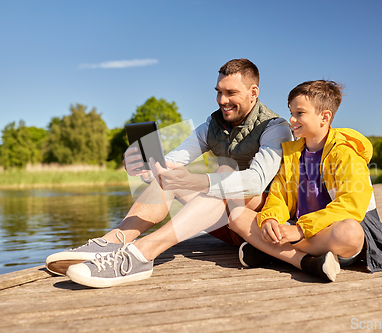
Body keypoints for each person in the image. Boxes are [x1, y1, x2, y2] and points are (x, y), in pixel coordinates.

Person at [45, 58, 293, 288]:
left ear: (253, 93)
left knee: (224, 178)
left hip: (259, 222)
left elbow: (256, 181)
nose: (221, 100)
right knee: (170, 175)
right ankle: (114, 240)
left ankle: (141, 254)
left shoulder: (274, 127)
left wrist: (198, 181)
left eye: (230, 93)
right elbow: (173, 161)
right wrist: (145, 169)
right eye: (218, 92)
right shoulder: (211, 125)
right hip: (223, 221)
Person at [229, 80, 382, 282]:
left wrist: (299, 230)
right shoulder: (292, 153)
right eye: (291, 112)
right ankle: (304, 260)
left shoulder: (346, 153)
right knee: (237, 216)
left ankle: (272, 251)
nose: (291, 118)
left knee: (350, 233)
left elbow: (351, 205)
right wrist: (270, 219)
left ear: (324, 117)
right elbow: (279, 196)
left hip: (329, 235)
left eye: (300, 113)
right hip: (298, 228)